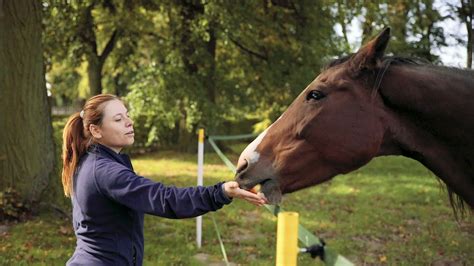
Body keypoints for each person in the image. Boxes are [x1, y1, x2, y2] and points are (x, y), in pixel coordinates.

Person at [61, 94, 267, 265]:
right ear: (96, 130)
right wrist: (220, 192)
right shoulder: (105, 172)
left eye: (127, 115)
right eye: (118, 119)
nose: (129, 121)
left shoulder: (95, 161)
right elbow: (165, 199)